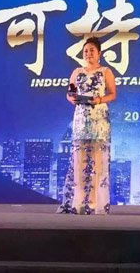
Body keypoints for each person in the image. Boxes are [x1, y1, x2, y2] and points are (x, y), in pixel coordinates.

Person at [58, 36, 116, 215]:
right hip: (81, 118)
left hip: (99, 118)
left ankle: (97, 204)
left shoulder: (105, 71)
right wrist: (73, 99)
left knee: (98, 160)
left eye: (92, 50)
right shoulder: (77, 72)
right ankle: (79, 203)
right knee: (80, 160)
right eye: (85, 51)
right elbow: (69, 93)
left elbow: (112, 94)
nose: (88, 53)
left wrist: (98, 100)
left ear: (99, 53)